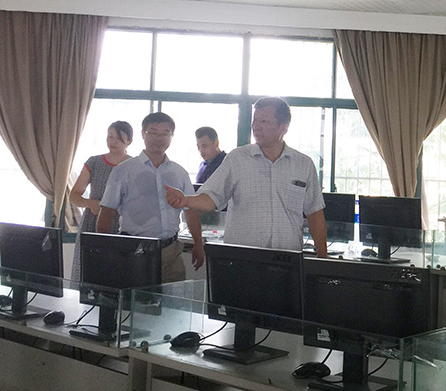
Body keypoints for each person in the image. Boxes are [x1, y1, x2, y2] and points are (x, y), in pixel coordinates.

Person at [164, 97, 328, 257]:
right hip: (242, 257)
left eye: (264, 121)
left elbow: (314, 212)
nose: (256, 126)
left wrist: (322, 255)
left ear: (283, 127)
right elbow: (212, 197)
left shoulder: (303, 164)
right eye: (254, 120)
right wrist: (186, 200)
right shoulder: (237, 159)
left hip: (287, 258)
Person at [97, 112, 204, 283]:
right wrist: (103, 250)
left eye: (165, 133)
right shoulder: (123, 170)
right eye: (153, 132)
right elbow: (107, 212)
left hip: (171, 252)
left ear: (172, 136)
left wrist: (198, 243)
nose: (159, 138)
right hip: (134, 252)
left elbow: (190, 211)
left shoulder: (179, 172)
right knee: (135, 298)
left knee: (173, 299)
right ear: (143, 134)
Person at [69, 121, 133, 284]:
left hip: (122, 225)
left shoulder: (134, 166)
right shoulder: (94, 162)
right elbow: (74, 196)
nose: (113, 141)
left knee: (116, 273)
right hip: (92, 222)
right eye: (110, 137)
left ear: (129, 142)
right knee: (87, 271)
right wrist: (90, 203)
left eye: (119, 138)